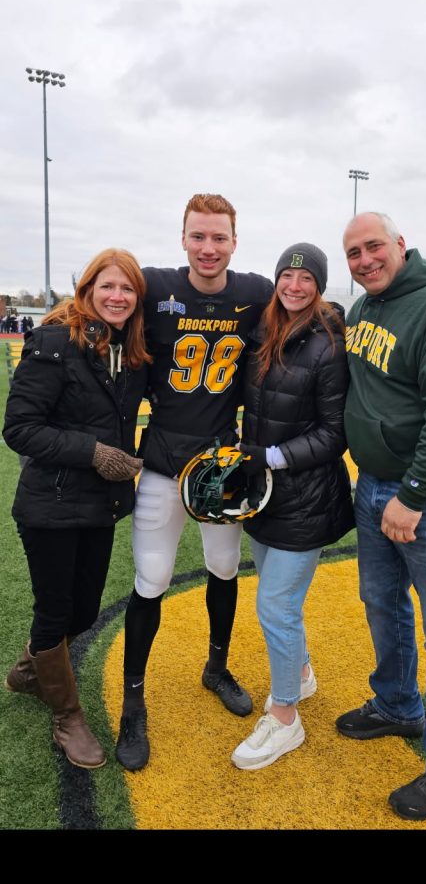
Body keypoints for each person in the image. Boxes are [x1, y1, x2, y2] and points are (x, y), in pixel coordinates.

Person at [115, 193, 273, 771]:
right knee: (152, 578)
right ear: (183, 238)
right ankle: (135, 701)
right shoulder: (155, 286)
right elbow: (102, 298)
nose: (209, 248)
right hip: (162, 459)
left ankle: (216, 664)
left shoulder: (256, 292)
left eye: (220, 238)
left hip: (219, 464)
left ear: (235, 240)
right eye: (199, 236)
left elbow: (308, 311)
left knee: (225, 570)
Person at [336, 211, 426, 821]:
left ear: (400, 245)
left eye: (374, 248)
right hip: (373, 484)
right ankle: (397, 704)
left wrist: (413, 496)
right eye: (353, 253)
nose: (365, 260)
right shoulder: (363, 309)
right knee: (381, 601)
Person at [3, 249, 150, 769]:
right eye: (108, 287)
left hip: (99, 505)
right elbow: (19, 429)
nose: (117, 297)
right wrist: (93, 453)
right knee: (55, 611)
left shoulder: (126, 349)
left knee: (85, 610)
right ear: (88, 288)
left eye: (128, 290)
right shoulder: (52, 342)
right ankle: (66, 715)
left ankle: (27, 672)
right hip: (51, 503)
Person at [230, 243, 354, 770]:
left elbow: (334, 435)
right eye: (288, 274)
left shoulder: (329, 344)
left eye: (306, 278)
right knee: (277, 599)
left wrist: (270, 457)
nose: (295, 285)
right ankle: (301, 674)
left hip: (303, 498)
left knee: (275, 607)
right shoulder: (263, 329)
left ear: (319, 285)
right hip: (263, 495)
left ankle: (285, 718)